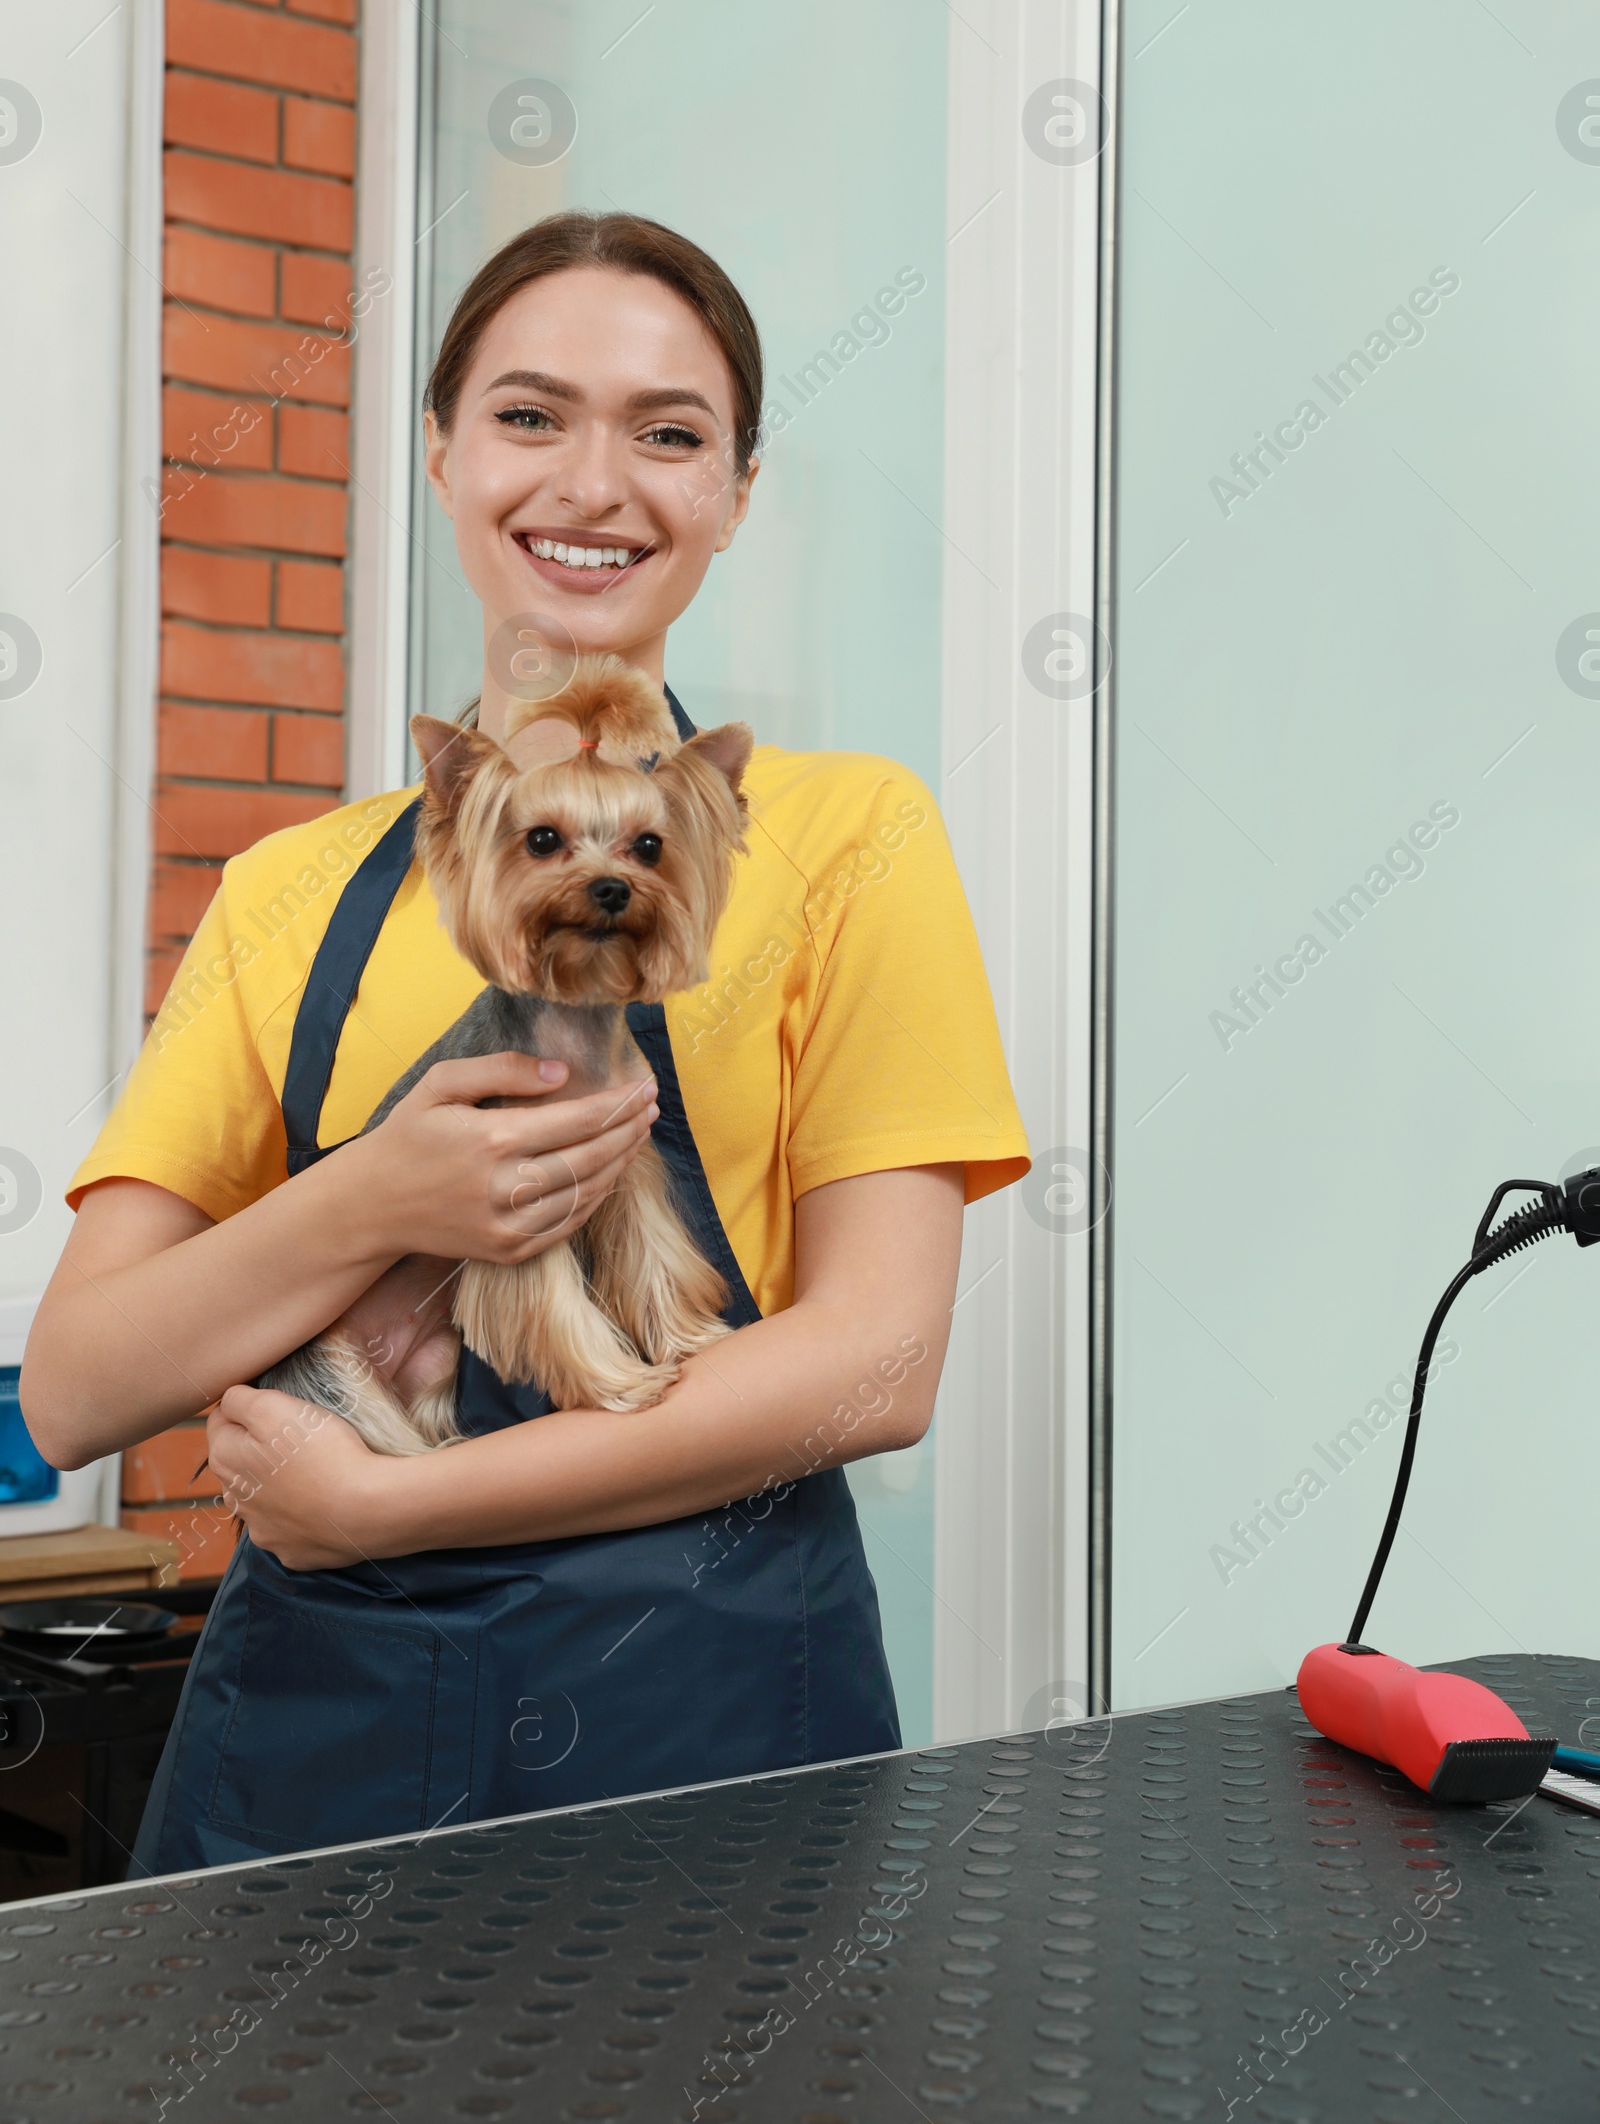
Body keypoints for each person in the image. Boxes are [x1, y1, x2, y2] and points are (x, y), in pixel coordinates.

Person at [23, 212, 1030, 1872]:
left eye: (669, 433)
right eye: (529, 414)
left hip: (708, 1731)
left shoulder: (844, 833)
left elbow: (878, 1362)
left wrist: (388, 1506)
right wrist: (378, 1202)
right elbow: (76, 1388)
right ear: (439, 453)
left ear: (736, 492)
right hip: (315, 1752)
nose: (593, 483)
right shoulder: (291, 890)